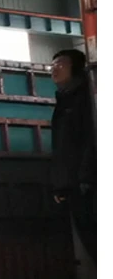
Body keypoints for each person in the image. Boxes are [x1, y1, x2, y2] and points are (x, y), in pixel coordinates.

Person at [50, 47, 97, 265]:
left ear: (76, 68)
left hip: (89, 182)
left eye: (61, 64)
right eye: (52, 65)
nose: (54, 68)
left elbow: (90, 139)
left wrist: (86, 177)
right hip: (75, 185)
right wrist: (60, 184)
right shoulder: (64, 101)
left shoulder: (88, 99)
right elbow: (62, 149)